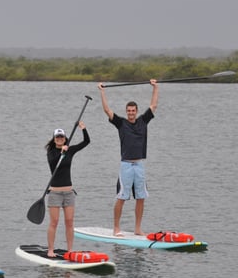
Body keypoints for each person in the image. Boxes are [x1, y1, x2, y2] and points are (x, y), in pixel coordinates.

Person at [98, 79, 159, 237]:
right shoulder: (121, 123)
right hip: (126, 166)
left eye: (133, 110)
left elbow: (153, 106)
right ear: (126, 112)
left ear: (136, 111)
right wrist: (102, 91)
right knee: (122, 197)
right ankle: (116, 228)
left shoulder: (143, 121)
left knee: (141, 197)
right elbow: (107, 110)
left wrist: (155, 87)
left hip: (139, 165)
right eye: (129, 111)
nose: (131, 113)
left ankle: (138, 228)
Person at [45, 122, 90, 257]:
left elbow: (87, 142)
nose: (59, 139)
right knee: (54, 222)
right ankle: (50, 250)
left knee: (69, 222)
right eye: (57, 137)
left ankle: (70, 250)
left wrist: (83, 128)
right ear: (54, 140)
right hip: (55, 193)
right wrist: (61, 153)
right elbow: (54, 163)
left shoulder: (70, 150)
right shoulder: (51, 153)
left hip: (69, 192)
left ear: (65, 138)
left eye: (61, 137)